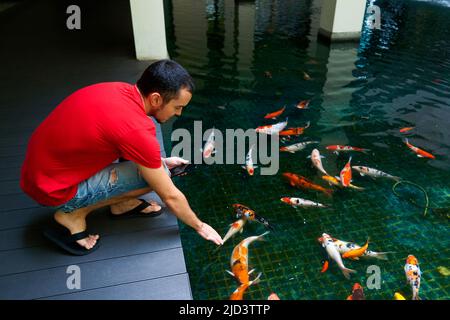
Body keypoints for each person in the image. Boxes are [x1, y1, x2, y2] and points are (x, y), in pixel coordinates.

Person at [20, 59, 223, 255]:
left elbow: (121, 137)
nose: (178, 113)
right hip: (52, 190)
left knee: (159, 168)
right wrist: (200, 226)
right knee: (160, 177)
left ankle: (121, 204)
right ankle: (71, 215)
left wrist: (160, 161)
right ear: (155, 99)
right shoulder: (137, 129)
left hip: (39, 172)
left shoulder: (118, 90)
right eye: (177, 107)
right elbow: (170, 196)